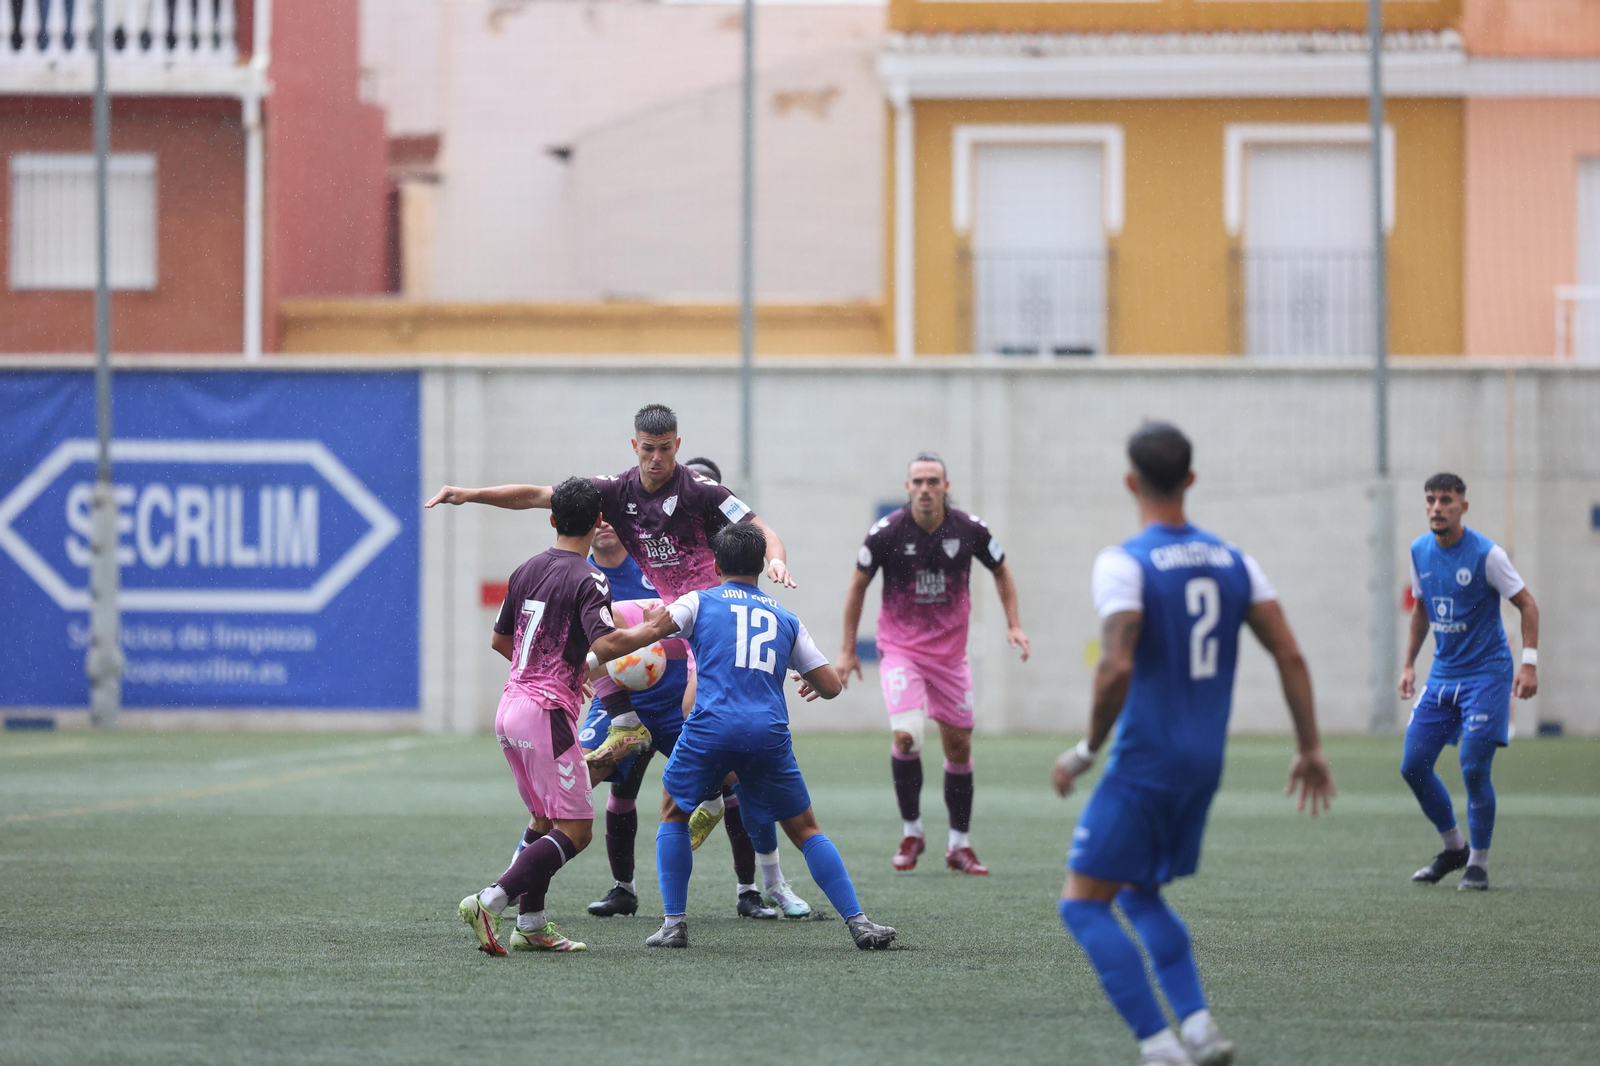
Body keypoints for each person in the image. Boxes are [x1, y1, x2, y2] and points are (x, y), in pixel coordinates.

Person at [1051, 423, 1335, 1066]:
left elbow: (1116, 666)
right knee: (1137, 890)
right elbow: (1289, 652)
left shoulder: (1124, 561)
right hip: (1204, 764)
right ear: (1192, 479)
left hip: (1146, 761)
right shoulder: (1236, 560)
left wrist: (1086, 751)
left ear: (1131, 482)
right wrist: (1310, 746)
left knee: (1082, 907)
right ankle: (1201, 1029)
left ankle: (1160, 1047)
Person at [425, 404, 796, 769]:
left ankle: (716, 793)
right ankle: (624, 721)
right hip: (666, 607)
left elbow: (764, 530)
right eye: (648, 448)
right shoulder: (617, 491)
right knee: (603, 621)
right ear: (635, 446)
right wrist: (469, 494)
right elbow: (538, 496)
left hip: (708, 612)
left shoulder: (703, 492)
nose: (656, 458)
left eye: (665, 448)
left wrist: (775, 559)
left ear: (677, 445)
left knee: (692, 712)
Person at [601, 522, 898, 951]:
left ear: (716, 565)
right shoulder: (786, 618)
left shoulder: (698, 601)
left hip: (711, 726)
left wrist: (599, 654)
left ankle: (674, 924)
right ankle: (860, 923)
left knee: (673, 813)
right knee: (806, 829)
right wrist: (805, 676)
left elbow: (648, 634)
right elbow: (832, 686)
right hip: (767, 730)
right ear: (761, 566)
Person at [457, 477, 669, 956]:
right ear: (598, 522)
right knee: (576, 829)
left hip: (510, 707)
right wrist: (652, 629)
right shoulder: (589, 576)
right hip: (545, 714)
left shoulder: (527, 567)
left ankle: (531, 925)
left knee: (542, 818)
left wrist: (562, 670)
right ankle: (490, 900)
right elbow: (608, 644)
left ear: (552, 519)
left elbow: (501, 641)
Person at [836, 452, 1030, 875]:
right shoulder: (886, 532)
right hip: (901, 651)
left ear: (946, 486)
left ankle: (959, 845)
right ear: (907, 488)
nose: (925, 488)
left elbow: (1002, 571)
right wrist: (848, 649)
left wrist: (1013, 624)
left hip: (950, 657)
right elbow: (857, 588)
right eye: (918, 481)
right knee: (906, 736)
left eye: (933, 481)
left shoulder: (970, 529)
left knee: (958, 746)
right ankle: (912, 832)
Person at [1398, 473, 1539, 892]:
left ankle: (1478, 861)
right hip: (1444, 675)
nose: (1437, 507)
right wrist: (1408, 664)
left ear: (1463, 506)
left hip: (1487, 674)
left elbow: (1527, 605)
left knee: (1473, 767)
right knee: (1413, 766)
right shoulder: (1419, 550)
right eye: (1430, 500)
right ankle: (1453, 847)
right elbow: (1421, 611)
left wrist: (1528, 664)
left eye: (1446, 500)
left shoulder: (1486, 554)